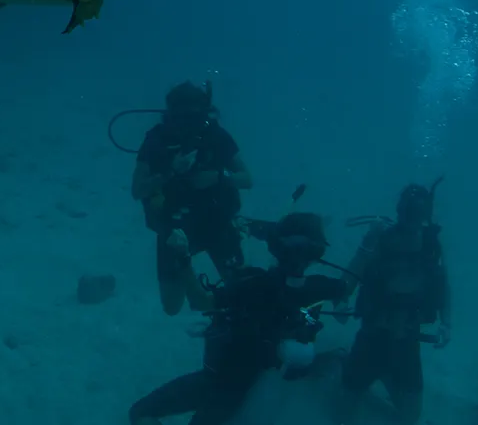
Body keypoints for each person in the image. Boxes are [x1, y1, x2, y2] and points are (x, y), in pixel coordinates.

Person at [129, 212, 349, 424]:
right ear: (316, 255)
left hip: (223, 384)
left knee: (140, 413)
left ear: (275, 247)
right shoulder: (320, 288)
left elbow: (200, 301)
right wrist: (365, 250)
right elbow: (344, 300)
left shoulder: (254, 284)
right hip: (239, 385)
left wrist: (184, 257)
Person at [333, 181, 453, 424]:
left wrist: (446, 322)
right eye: (408, 211)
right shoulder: (380, 239)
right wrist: (341, 300)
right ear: (400, 211)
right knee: (343, 414)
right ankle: (348, 362)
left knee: (410, 416)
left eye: (418, 213)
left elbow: (443, 286)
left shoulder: (432, 248)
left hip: (406, 340)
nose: (412, 218)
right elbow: (352, 274)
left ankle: (384, 376)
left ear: (425, 216)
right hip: (371, 335)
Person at [131, 80, 254, 314]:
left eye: (194, 119)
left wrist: (219, 176)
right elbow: (137, 190)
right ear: (170, 115)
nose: (187, 126)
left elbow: (247, 178)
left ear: (204, 115)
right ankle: (198, 292)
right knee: (172, 306)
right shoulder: (156, 140)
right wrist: (170, 172)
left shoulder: (215, 135)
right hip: (174, 227)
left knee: (241, 291)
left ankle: (207, 300)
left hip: (217, 222)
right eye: (181, 118)